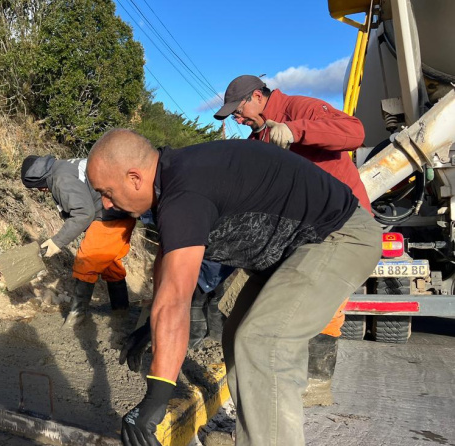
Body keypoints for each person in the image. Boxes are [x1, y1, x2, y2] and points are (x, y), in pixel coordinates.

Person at [86, 129, 380, 446]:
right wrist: (152, 327)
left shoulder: (184, 192)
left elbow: (175, 302)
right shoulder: (173, 184)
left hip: (338, 236)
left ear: (134, 178)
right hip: (290, 251)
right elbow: (170, 279)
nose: (106, 203)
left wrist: (152, 406)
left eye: (107, 191)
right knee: (238, 335)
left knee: (263, 340)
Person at [214, 74, 372, 398]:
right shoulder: (257, 140)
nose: (237, 119)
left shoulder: (300, 108)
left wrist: (296, 131)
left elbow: (355, 132)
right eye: (233, 116)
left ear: (257, 96)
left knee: (309, 311)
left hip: (339, 227)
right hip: (296, 236)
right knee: (244, 322)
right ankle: (258, 399)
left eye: (238, 111)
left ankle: (315, 381)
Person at [21, 155, 135, 326]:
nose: (40, 190)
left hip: (110, 215)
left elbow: (83, 213)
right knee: (109, 263)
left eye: (37, 187)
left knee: (86, 261)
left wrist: (57, 241)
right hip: (122, 210)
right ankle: (121, 313)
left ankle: (76, 319)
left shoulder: (61, 178)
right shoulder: (63, 167)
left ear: (39, 179)